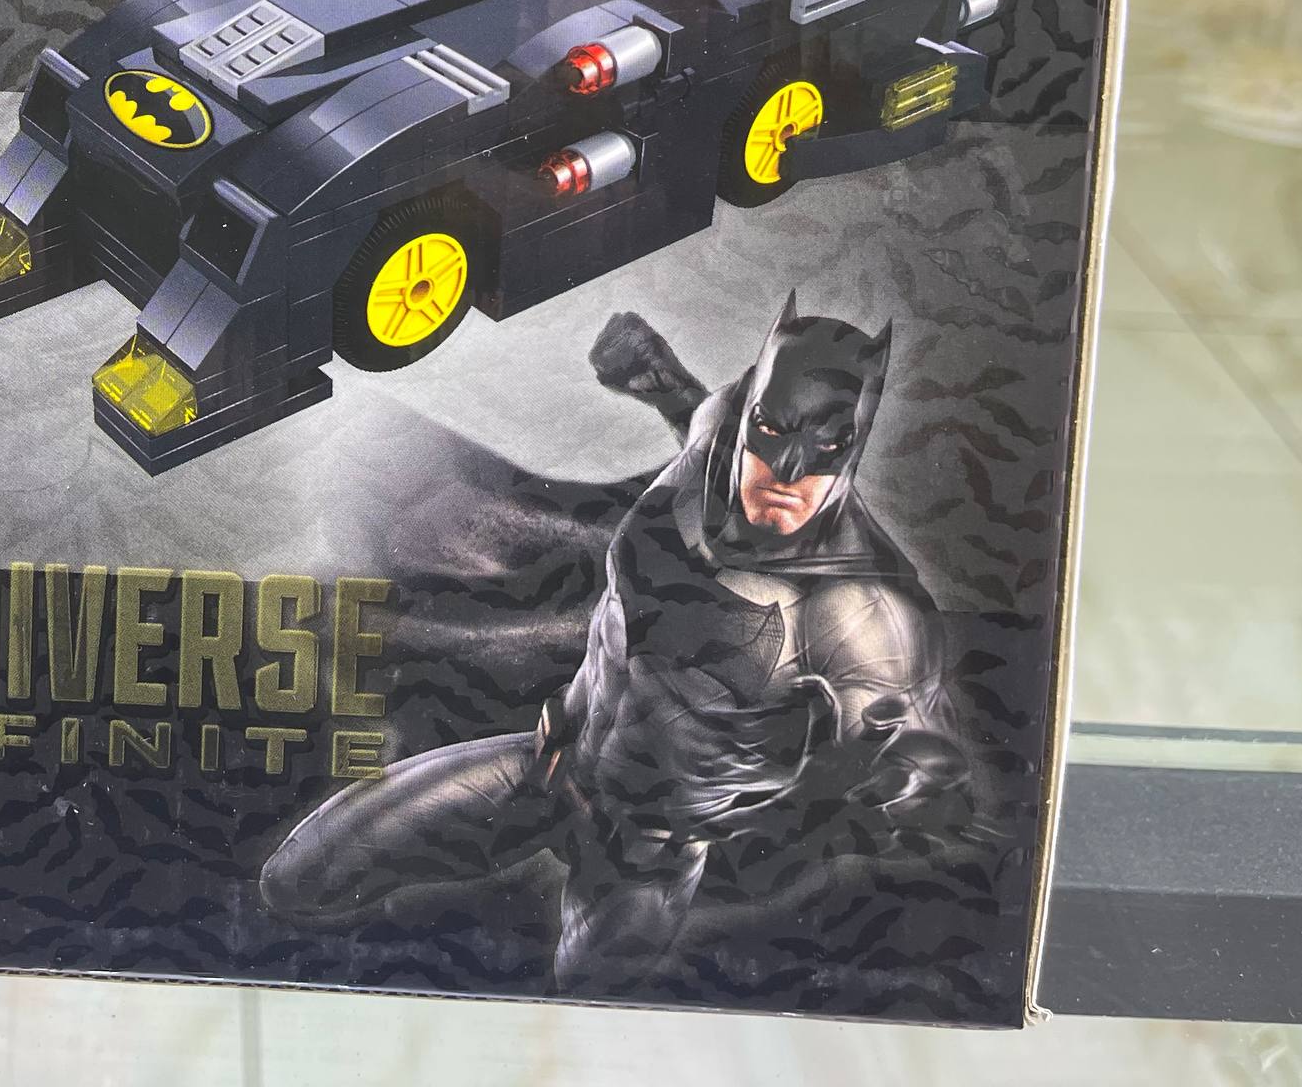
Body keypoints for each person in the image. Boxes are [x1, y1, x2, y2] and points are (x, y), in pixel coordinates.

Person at [261, 295, 971, 993]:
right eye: (771, 429)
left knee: (586, 1000)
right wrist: (661, 383)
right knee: (296, 879)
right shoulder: (717, 440)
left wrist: (900, 781)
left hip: (647, 853)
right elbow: (701, 418)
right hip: (545, 762)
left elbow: (919, 766)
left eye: (826, 446)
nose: (786, 470)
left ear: (853, 445)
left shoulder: (864, 611)